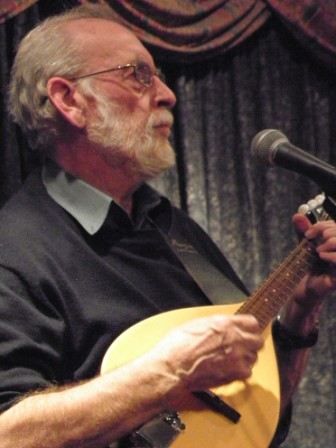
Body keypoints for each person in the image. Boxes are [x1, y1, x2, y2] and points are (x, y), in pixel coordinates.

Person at [0, 4, 335, 448]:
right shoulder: (14, 250)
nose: (167, 93)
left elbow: (248, 413)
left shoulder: (173, 228)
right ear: (68, 100)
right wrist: (166, 374)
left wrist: (299, 309)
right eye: (137, 74)